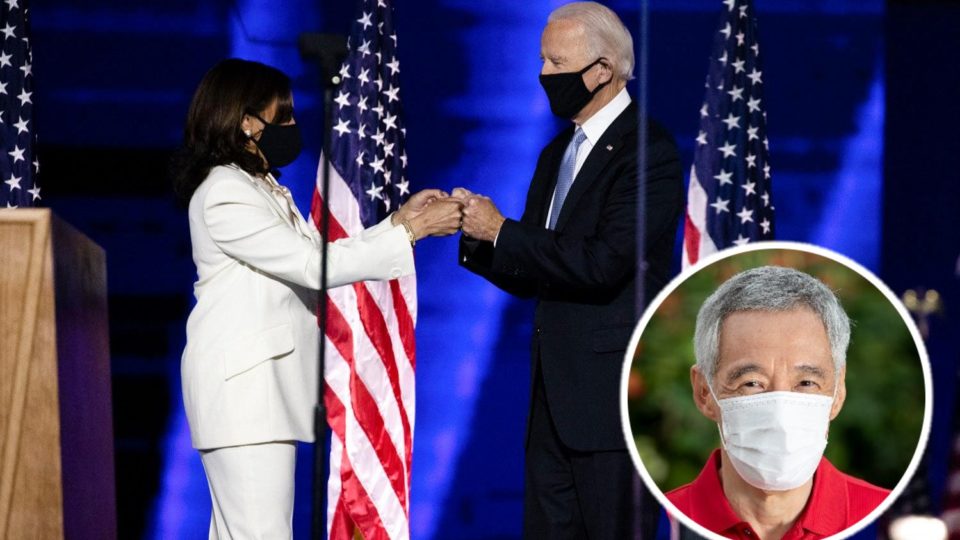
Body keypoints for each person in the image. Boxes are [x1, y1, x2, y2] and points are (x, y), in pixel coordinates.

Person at [172, 58, 462, 538]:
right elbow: (311, 267)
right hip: (245, 396)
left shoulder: (258, 186)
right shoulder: (225, 190)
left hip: (257, 396)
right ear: (247, 122)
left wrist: (396, 223)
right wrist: (411, 233)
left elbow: (318, 254)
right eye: (281, 115)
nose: (291, 125)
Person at [456, 2, 684, 537]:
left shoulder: (648, 152)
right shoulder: (557, 151)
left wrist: (503, 231)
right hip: (551, 402)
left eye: (556, 63)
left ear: (602, 70)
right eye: (542, 60)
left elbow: (605, 263)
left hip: (611, 405)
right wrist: (474, 234)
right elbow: (538, 267)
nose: (543, 75)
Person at [668, 266, 890, 540]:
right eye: (751, 383)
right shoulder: (659, 523)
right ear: (704, 392)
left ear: (838, 391)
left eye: (806, 383)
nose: (781, 416)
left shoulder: (886, 521)